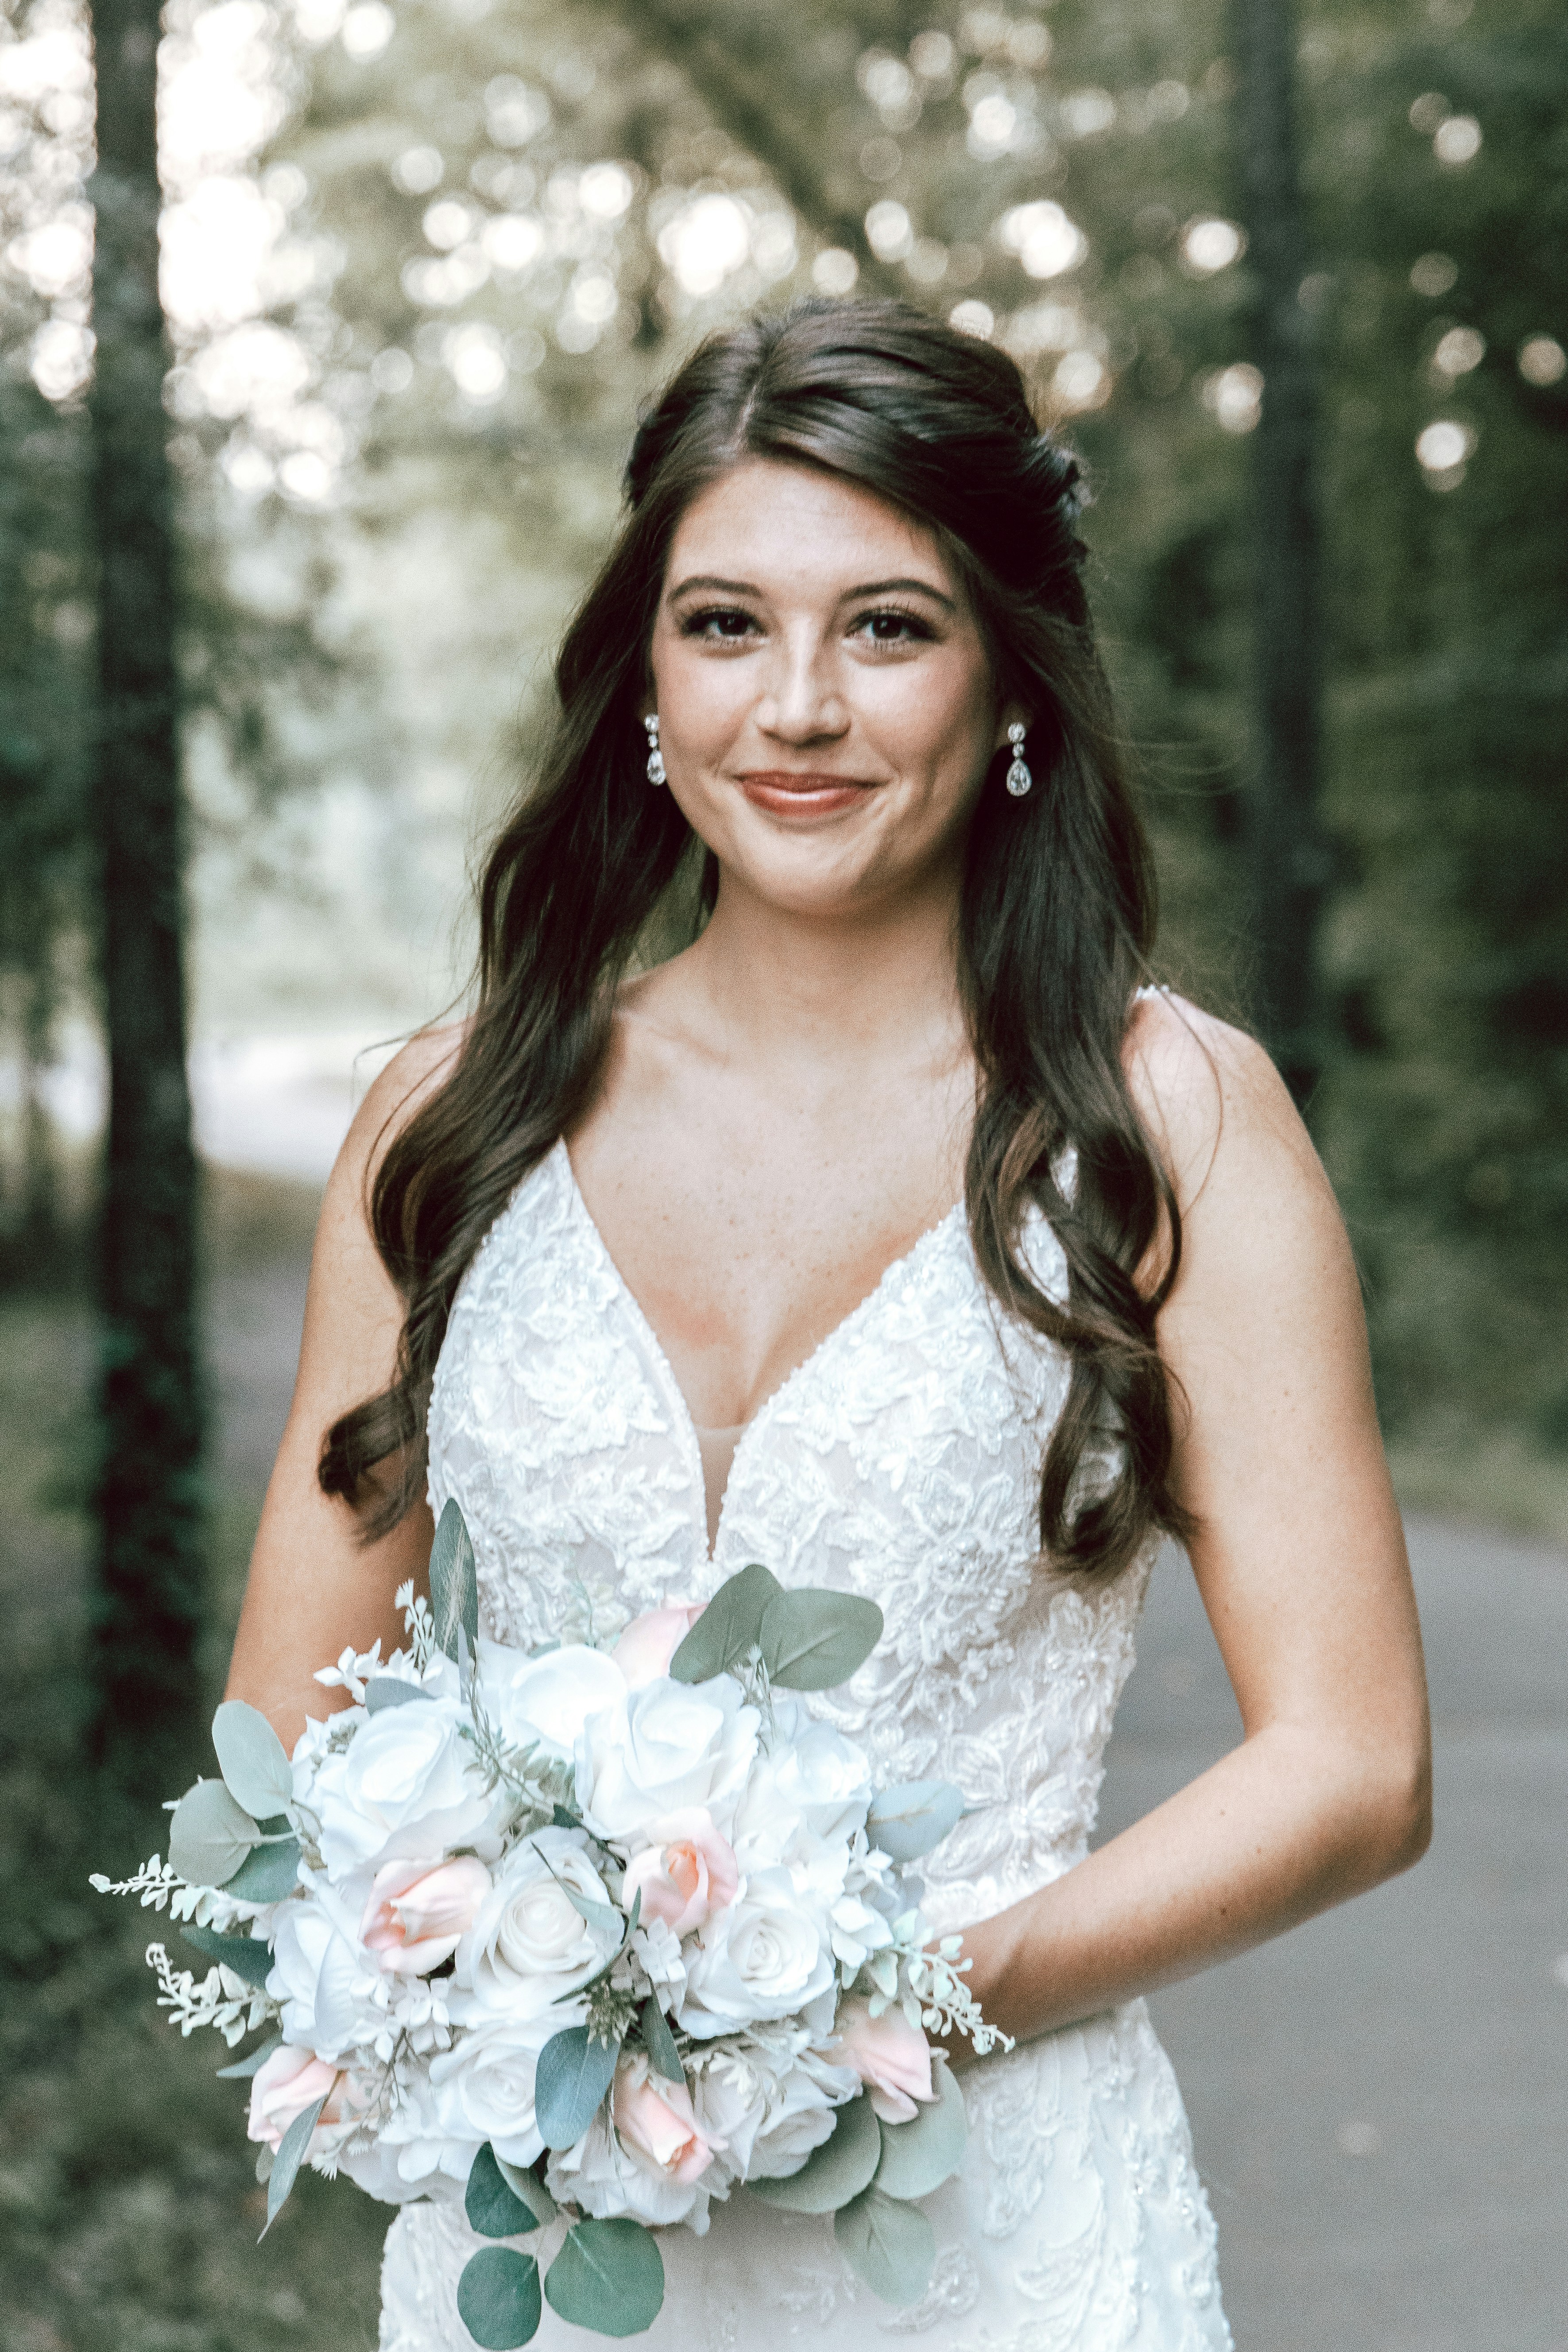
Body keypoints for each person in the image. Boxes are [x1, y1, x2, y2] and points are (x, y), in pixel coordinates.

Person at [227, 298, 1431, 2350]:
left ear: (1007, 677)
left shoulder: (1166, 1122)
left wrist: (872, 2010)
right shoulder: (453, 1126)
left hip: (1004, 2245)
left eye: (886, 626)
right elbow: (290, 1743)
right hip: (547, 2248)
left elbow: (1353, 1759)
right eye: (724, 626)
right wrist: (509, 1971)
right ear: (642, 678)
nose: (796, 706)